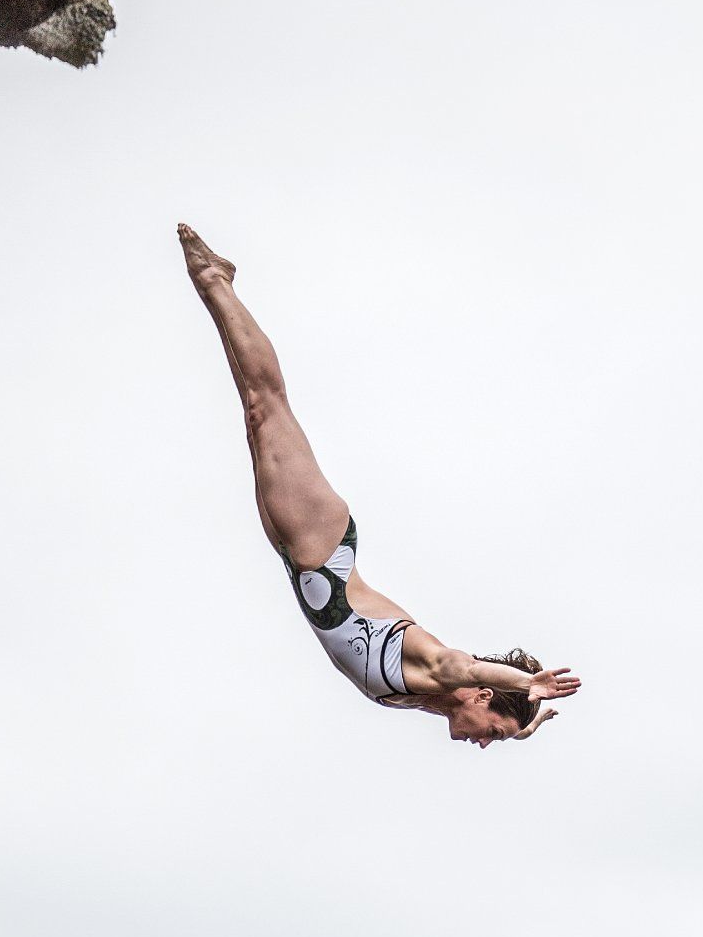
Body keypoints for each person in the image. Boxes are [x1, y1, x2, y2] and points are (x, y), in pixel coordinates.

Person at [179, 226, 581, 746]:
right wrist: (527, 683)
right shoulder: (443, 671)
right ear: (483, 697)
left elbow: (476, 689)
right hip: (320, 546)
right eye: (494, 733)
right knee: (266, 404)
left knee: (257, 415)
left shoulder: (431, 698)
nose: (485, 742)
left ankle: (218, 288)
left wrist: (522, 724)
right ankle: (215, 280)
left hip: (301, 555)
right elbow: (465, 666)